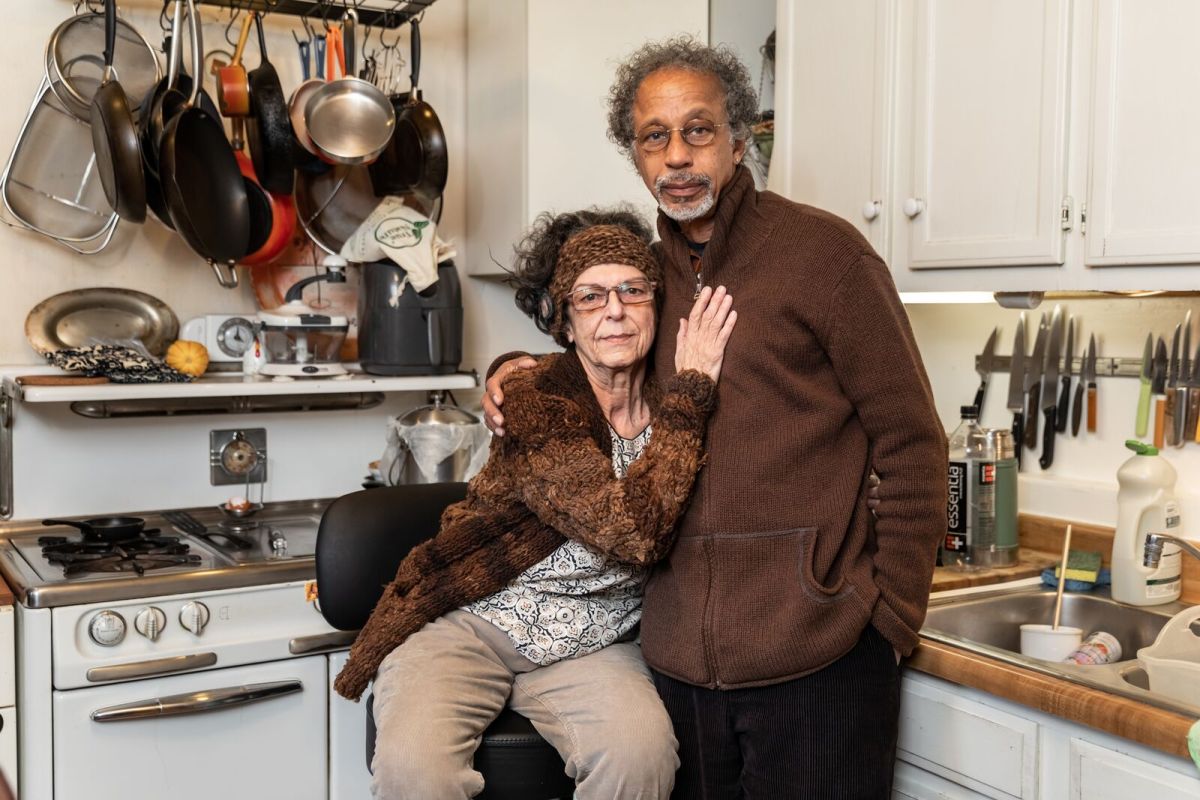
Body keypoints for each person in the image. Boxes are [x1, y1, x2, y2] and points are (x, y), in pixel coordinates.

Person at [483, 37, 947, 798]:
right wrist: (508, 372)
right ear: (633, 154)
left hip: (820, 655)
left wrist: (889, 617)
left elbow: (911, 440)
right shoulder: (642, 280)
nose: (676, 157)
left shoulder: (826, 257)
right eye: (653, 137)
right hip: (673, 666)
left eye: (697, 130)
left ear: (739, 138)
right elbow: (590, 352)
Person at [334, 207, 738, 800]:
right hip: (473, 621)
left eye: (632, 290)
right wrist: (695, 388)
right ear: (565, 323)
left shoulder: (667, 402)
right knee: (416, 773)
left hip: (596, 643)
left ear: (658, 305)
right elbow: (633, 532)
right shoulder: (536, 394)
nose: (615, 310)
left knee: (641, 760)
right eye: (591, 296)